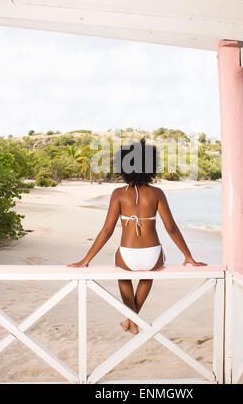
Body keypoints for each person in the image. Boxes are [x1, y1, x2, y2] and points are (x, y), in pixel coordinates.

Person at [67, 138, 207, 334]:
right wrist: (188, 256)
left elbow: (107, 230)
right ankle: (132, 321)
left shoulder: (118, 194)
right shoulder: (157, 193)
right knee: (147, 276)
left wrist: (86, 260)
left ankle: (132, 320)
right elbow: (171, 228)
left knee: (123, 276)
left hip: (127, 255)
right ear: (151, 167)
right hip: (153, 255)